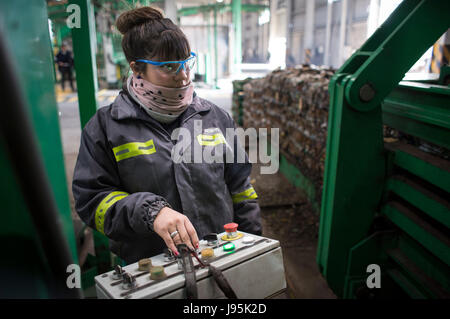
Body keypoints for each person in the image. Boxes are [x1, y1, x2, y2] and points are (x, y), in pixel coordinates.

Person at [72, 7, 262, 264]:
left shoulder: (216, 118)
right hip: (151, 268)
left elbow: (241, 190)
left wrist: (251, 249)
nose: (183, 75)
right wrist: (150, 212)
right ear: (137, 69)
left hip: (221, 259)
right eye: (169, 67)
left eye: (186, 62)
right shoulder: (105, 128)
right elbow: (92, 201)